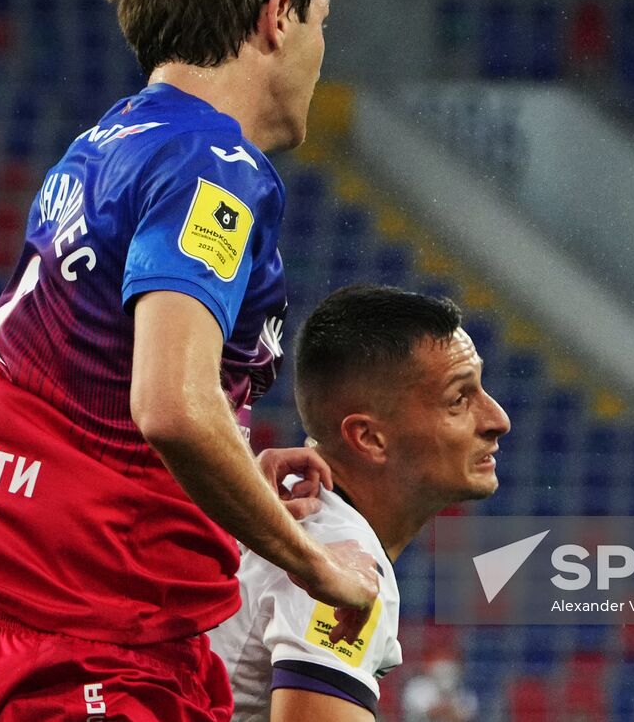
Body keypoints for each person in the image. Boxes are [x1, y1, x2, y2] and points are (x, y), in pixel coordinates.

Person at [0, 0, 378, 721]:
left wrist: (234, 466)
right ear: (276, 16)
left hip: (36, 647)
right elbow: (169, 404)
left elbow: (99, 394)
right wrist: (310, 561)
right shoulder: (213, 166)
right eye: (323, 23)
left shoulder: (107, 146)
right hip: (99, 660)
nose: (322, 53)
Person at [209, 285, 511, 721]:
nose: (497, 419)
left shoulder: (278, 508)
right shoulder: (341, 559)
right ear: (368, 438)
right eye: (459, 399)